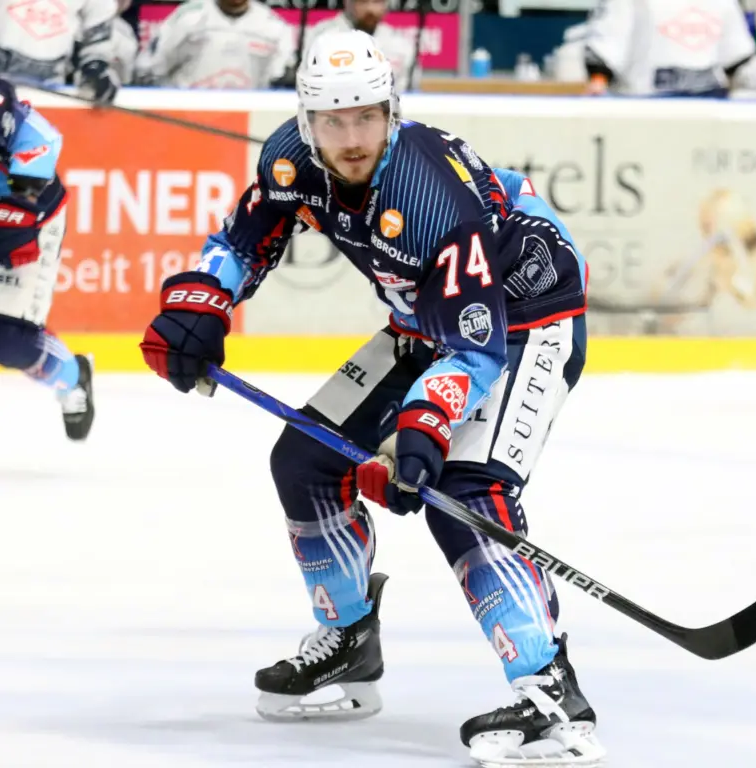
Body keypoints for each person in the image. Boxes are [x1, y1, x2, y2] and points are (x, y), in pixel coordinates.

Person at [139, 29, 604, 768]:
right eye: (333, 121)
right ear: (307, 120)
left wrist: (421, 430)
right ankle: (350, 639)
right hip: (428, 318)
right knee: (306, 463)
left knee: (465, 488)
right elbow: (243, 240)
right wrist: (200, 304)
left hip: (524, 320)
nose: (352, 139)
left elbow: (475, 348)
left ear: (392, 111)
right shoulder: (290, 159)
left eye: (366, 117)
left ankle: (549, 690)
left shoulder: (431, 198)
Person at [0, 78, 96, 441]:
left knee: (11, 340)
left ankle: (72, 376)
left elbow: (17, 215)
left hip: (29, 229)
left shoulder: (35, 139)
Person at [584, 0, 756, 103]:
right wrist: (598, 84)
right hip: (644, 105)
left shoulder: (721, 3)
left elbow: (737, 60)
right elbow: (606, 47)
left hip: (708, 107)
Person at [134, 0, 295, 89]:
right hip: (187, 114)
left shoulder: (273, 26)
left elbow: (279, 81)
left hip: (247, 116)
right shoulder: (188, 17)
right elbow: (148, 69)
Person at [302, 0, 418, 92]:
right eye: (363, 2)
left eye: (377, 2)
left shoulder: (399, 43)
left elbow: (409, 91)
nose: (370, 9)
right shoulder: (322, 36)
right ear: (347, 2)